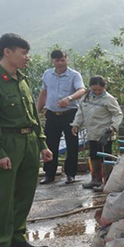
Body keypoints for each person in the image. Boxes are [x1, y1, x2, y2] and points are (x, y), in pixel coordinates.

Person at [0, 34, 54, 247]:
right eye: (23, 53)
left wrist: (42, 143)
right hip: (7, 142)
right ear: (8, 52)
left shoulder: (23, 80)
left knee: (26, 192)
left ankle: (17, 239)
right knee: (3, 196)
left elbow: (33, 115)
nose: (27, 57)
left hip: (28, 141)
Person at [37, 49, 86, 185]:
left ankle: (70, 174)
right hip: (52, 114)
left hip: (70, 114)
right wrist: (37, 110)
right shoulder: (47, 74)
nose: (60, 62)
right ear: (52, 61)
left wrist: (69, 98)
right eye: (57, 60)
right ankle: (49, 174)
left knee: (72, 144)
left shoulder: (74, 75)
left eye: (62, 59)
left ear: (67, 60)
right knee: (50, 144)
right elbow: (44, 92)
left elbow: (82, 90)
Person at [70, 76, 123, 190]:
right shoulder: (85, 98)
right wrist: (76, 124)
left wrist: (113, 127)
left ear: (104, 88)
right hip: (92, 133)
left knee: (106, 158)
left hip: (105, 134)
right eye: (94, 90)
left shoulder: (109, 99)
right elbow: (80, 113)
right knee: (93, 156)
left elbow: (117, 114)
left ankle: (107, 181)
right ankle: (96, 180)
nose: (97, 92)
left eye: (100, 90)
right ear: (90, 88)